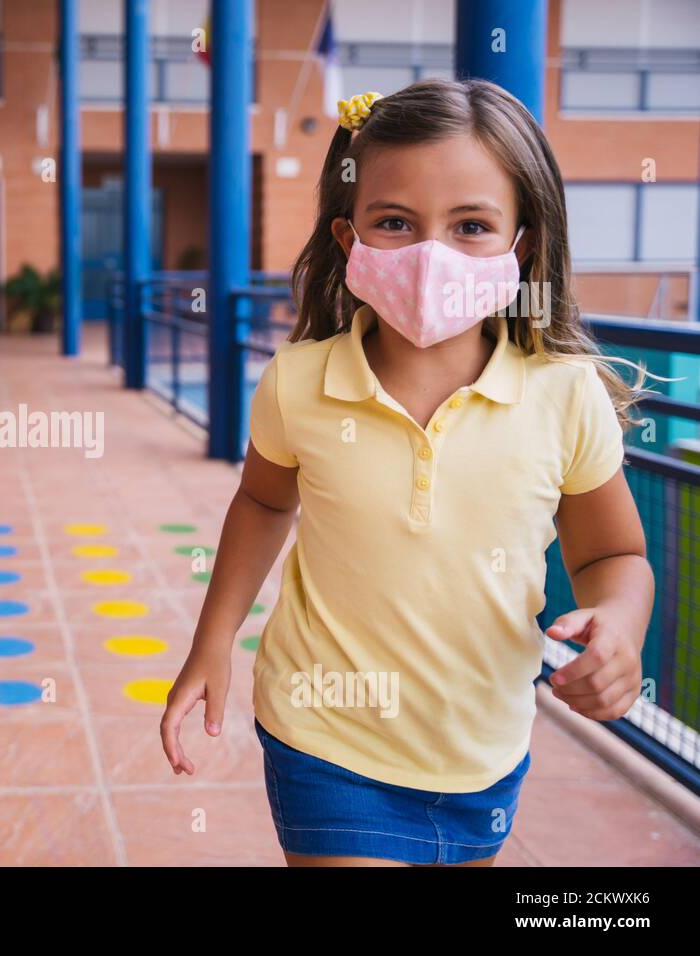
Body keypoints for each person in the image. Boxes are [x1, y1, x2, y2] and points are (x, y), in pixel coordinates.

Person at [160, 79, 655, 867]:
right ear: (348, 238)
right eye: (395, 223)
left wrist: (620, 626)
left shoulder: (564, 397)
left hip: (484, 751)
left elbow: (612, 557)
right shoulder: (297, 381)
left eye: (471, 226)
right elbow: (261, 503)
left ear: (521, 245)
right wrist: (211, 643)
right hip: (323, 734)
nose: (433, 256)